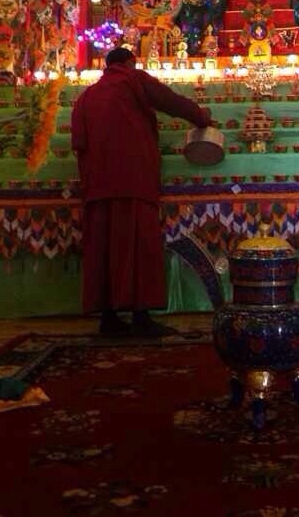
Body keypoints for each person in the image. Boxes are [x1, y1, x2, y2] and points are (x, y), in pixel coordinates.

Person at [71, 46, 212, 336]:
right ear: (130, 62)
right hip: (133, 178)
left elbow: (78, 142)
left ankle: (108, 317)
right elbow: (170, 101)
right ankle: (140, 315)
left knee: (104, 248)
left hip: (98, 184)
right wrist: (201, 117)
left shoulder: (86, 97)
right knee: (138, 246)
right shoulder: (133, 79)